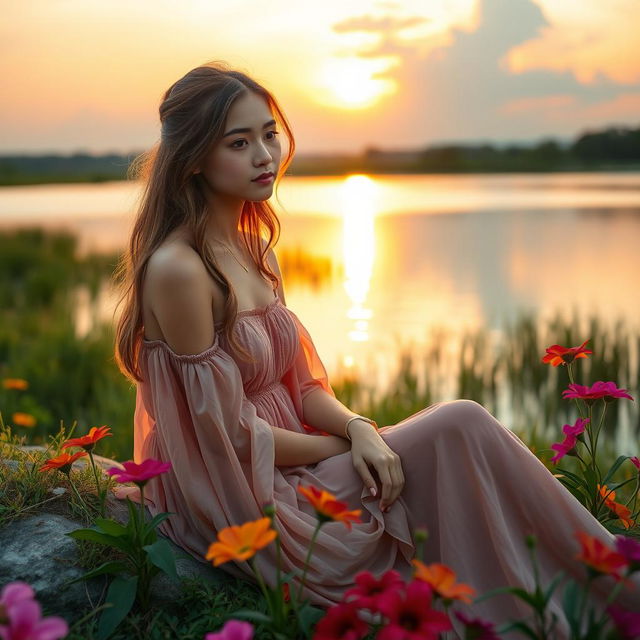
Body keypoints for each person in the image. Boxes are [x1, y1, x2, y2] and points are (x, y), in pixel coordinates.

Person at [113, 61, 638, 634]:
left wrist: (360, 427)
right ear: (193, 157)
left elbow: (304, 388)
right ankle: (607, 582)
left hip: (300, 458)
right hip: (243, 495)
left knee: (450, 437)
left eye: (269, 133)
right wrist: (345, 444)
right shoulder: (178, 269)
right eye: (239, 143)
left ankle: (599, 578)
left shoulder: (252, 247)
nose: (264, 155)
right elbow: (230, 437)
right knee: (457, 425)